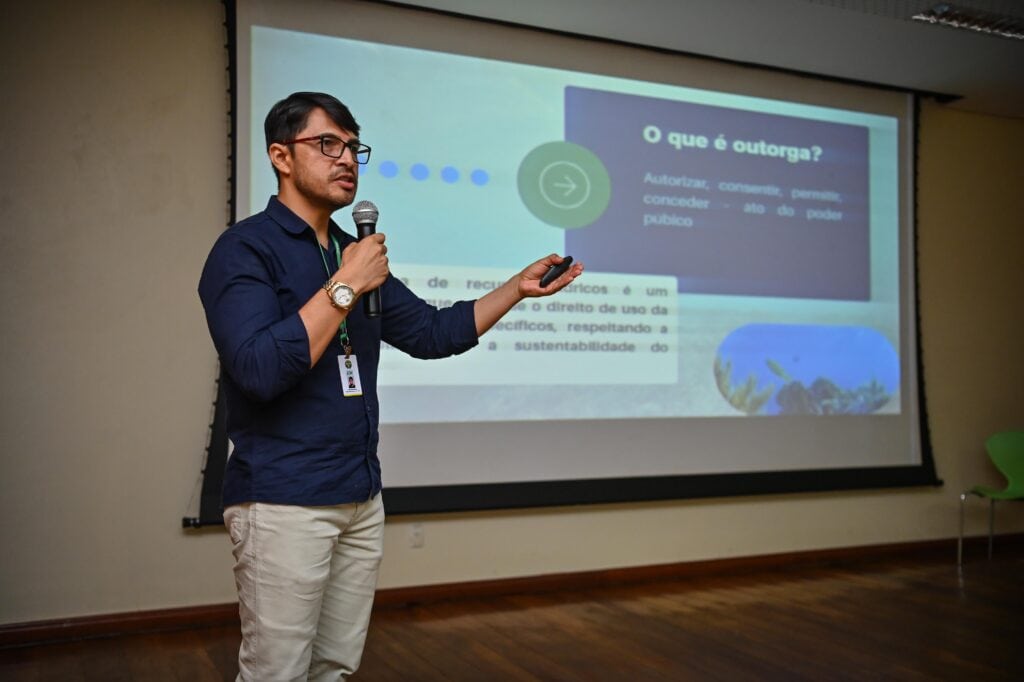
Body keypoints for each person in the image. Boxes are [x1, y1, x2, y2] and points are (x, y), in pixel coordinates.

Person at [198, 91, 583, 681]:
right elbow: (258, 370)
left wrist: (514, 289)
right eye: (327, 144)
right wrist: (347, 286)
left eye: (354, 147)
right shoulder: (246, 249)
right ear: (280, 156)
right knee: (277, 673)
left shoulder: (354, 255)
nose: (346, 158)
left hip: (359, 496)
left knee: (333, 667)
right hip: (284, 500)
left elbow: (433, 332)